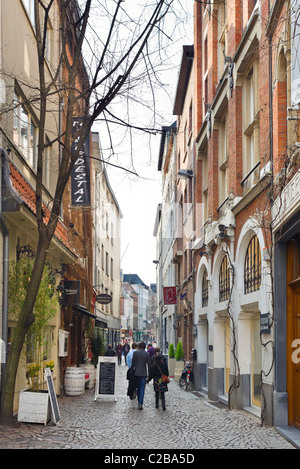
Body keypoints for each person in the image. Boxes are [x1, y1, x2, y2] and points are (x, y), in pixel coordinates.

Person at [130, 341, 151, 410]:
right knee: (142, 388)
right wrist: (149, 375)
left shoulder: (135, 353)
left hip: (136, 373)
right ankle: (140, 403)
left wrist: (131, 372)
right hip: (143, 373)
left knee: (138, 388)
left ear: (139, 347)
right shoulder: (147, 354)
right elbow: (149, 365)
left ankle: (139, 401)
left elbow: (133, 364)